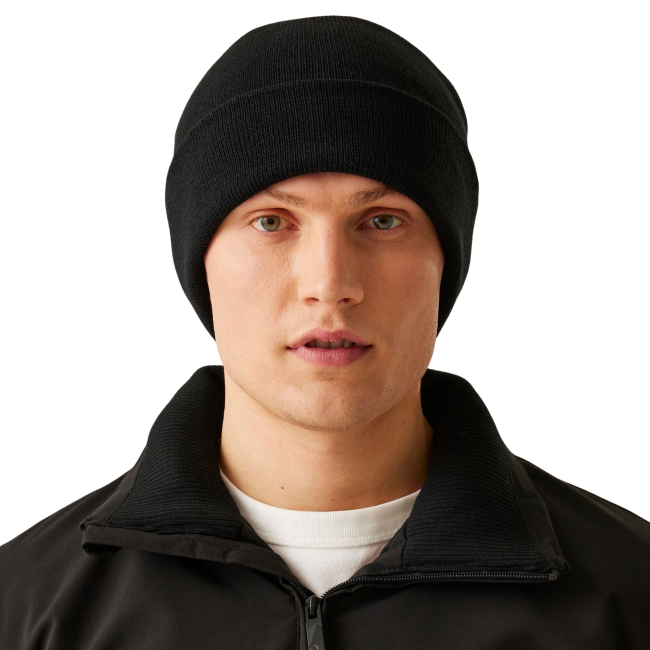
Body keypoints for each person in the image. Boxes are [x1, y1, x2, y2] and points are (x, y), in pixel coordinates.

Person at [1, 15, 648, 650]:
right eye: (271, 221)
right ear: (198, 262)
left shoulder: (628, 594)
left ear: (446, 260)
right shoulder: (27, 608)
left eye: (383, 220)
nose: (329, 283)